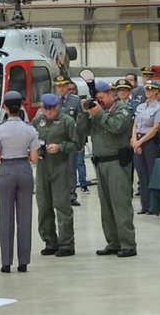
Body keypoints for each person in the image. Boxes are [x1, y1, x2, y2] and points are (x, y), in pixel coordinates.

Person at [76, 81, 136, 258]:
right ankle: (113, 242)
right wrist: (85, 113)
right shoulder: (95, 112)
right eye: (98, 99)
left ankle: (128, 244)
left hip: (117, 162)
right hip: (100, 162)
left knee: (120, 204)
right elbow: (81, 131)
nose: (100, 102)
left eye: (102, 98)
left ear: (111, 94)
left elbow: (117, 127)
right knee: (106, 207)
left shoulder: (123, 109)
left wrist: (100, 113)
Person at [0, 91, 39, 273]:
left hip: (6, 170)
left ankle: (6, 262)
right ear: (21, 106)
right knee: (24, 218)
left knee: (5, 218)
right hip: (24, 169)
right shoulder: (30, 130)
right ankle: (23, 262)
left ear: (5, 108)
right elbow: (34, 158)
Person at [32, 93, 79, 258]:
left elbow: (77, 144)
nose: (50, 112)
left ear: (58, 107)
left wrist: (60, 147)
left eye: (53, 108)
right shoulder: (38, 121)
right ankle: (50, 241)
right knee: (43, 204)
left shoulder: (67, 122)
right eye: (47, 109)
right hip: (43, 166)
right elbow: (33, 140)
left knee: (62, 205)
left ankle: (67, 243)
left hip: (61, 166)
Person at [132, 80, 160, 215]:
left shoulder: (159, 108)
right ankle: (144, 204)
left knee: (151, 173)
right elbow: (135, 125)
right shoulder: (140, 107)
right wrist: (135, 141)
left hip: (150, 141)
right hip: (138, 139)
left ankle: (154, 205)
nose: (149, 92)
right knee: (141, 173)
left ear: (156, 91)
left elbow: (155, 128)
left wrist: (140, 142)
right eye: (147, 89)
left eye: (151, 90)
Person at [54, 75, 82, 207]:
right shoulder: (52, 101)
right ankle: (58, 195)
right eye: (59, 86)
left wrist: (79, 141)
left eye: (63, 86)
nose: (61, 89)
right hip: (56, 141)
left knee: (71, 169)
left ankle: (71, 196)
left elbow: (80, 122)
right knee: (57, 169)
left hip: (70, 141)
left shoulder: (75, 101)